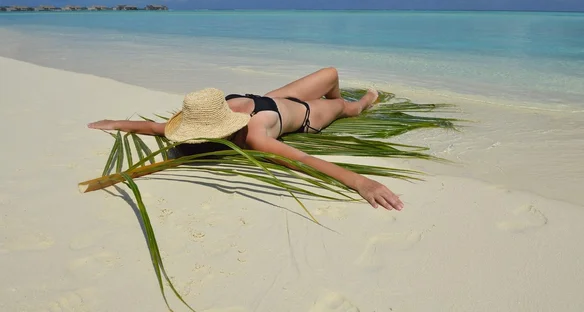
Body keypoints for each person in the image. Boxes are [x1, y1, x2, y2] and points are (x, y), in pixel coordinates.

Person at [88, 67, 403, 211]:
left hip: (270, 99)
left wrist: (116, 122)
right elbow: (305, 160)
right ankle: (356, 105)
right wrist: (361, 182)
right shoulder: (256, 138)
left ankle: (339, 99)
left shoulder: (206, 113)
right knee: (343, 107)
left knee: (331, 74)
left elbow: (159, 128)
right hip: (304, 116)